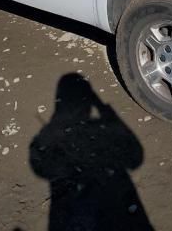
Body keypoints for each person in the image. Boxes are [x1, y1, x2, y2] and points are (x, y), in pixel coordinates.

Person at [30, 73, 153, 231]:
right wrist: (102, 107)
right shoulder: (96, 128)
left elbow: (39, 166)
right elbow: (136, 158)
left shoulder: (50, 133)